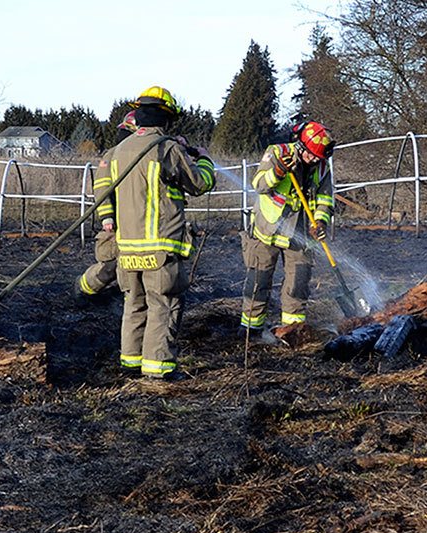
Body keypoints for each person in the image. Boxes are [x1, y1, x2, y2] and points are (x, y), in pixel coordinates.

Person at [108, 86, 215, 380]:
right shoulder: (165, 148)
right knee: (164, 306)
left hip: (127, 249)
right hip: (159, 248)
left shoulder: (120, 150)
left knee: (134, 304)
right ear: (166, 119)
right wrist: (203, 158)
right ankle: (158, 370)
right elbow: (199, 183)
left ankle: (130, 363)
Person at [239, 121, 336, 340]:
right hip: (268, 231)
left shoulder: (322, 166)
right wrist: (278, 171)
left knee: (298, 284)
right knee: (259, 280)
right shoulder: (277, 152)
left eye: (318, 158)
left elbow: (325, 198)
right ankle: (250, 330)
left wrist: (320, 222)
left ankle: (292, 333)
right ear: (300, 146)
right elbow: (260, 184)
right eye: (311, 156)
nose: (314, 160)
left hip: (300, 236)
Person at [76, 111, 138, 301]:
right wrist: (107, 217)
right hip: (118, 219)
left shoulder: (141, 154)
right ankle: (83, 288)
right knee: (111, 265)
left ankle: (129, 297)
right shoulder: (113, 155)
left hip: (135, 218)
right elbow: (102, 187)